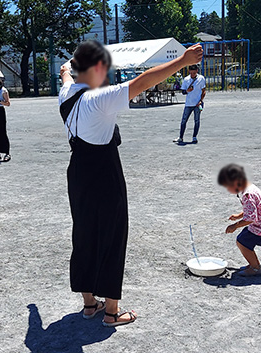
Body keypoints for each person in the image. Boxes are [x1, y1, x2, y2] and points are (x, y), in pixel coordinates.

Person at [59, 40, 203, 327]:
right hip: (105, 173)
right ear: (97, 68)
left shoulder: (66, 94)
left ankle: (90, 304)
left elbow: (64, 75)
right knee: (113, 236)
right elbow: (145, 80)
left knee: (84, 235)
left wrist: (66, 69)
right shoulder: (99, 99)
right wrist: (182, 61)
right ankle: (112, 311)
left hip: (78, 173)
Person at [218, 163, 261, 276]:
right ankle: (253, 264)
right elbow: (253, 209)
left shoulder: (248, 195)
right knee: (244, 238)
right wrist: (239, 216)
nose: (227, 189)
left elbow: (251, 218)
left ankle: (255, 268)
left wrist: (235, 225)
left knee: (242, 242)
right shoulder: (250, 187)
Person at [174, 65, 206, 145]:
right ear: (189, 71)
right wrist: (188, 90)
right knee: (184, 121)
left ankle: (194, 137)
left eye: (194, 73)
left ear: (197, 71)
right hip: (188, 103)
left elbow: (203, 91)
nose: (193, 75)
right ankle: (181, 137)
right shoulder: (186, 79)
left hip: (197, 103)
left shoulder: (201, 78)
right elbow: (183, 92)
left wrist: (201, 101)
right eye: (191, 73)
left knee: (197, 120)